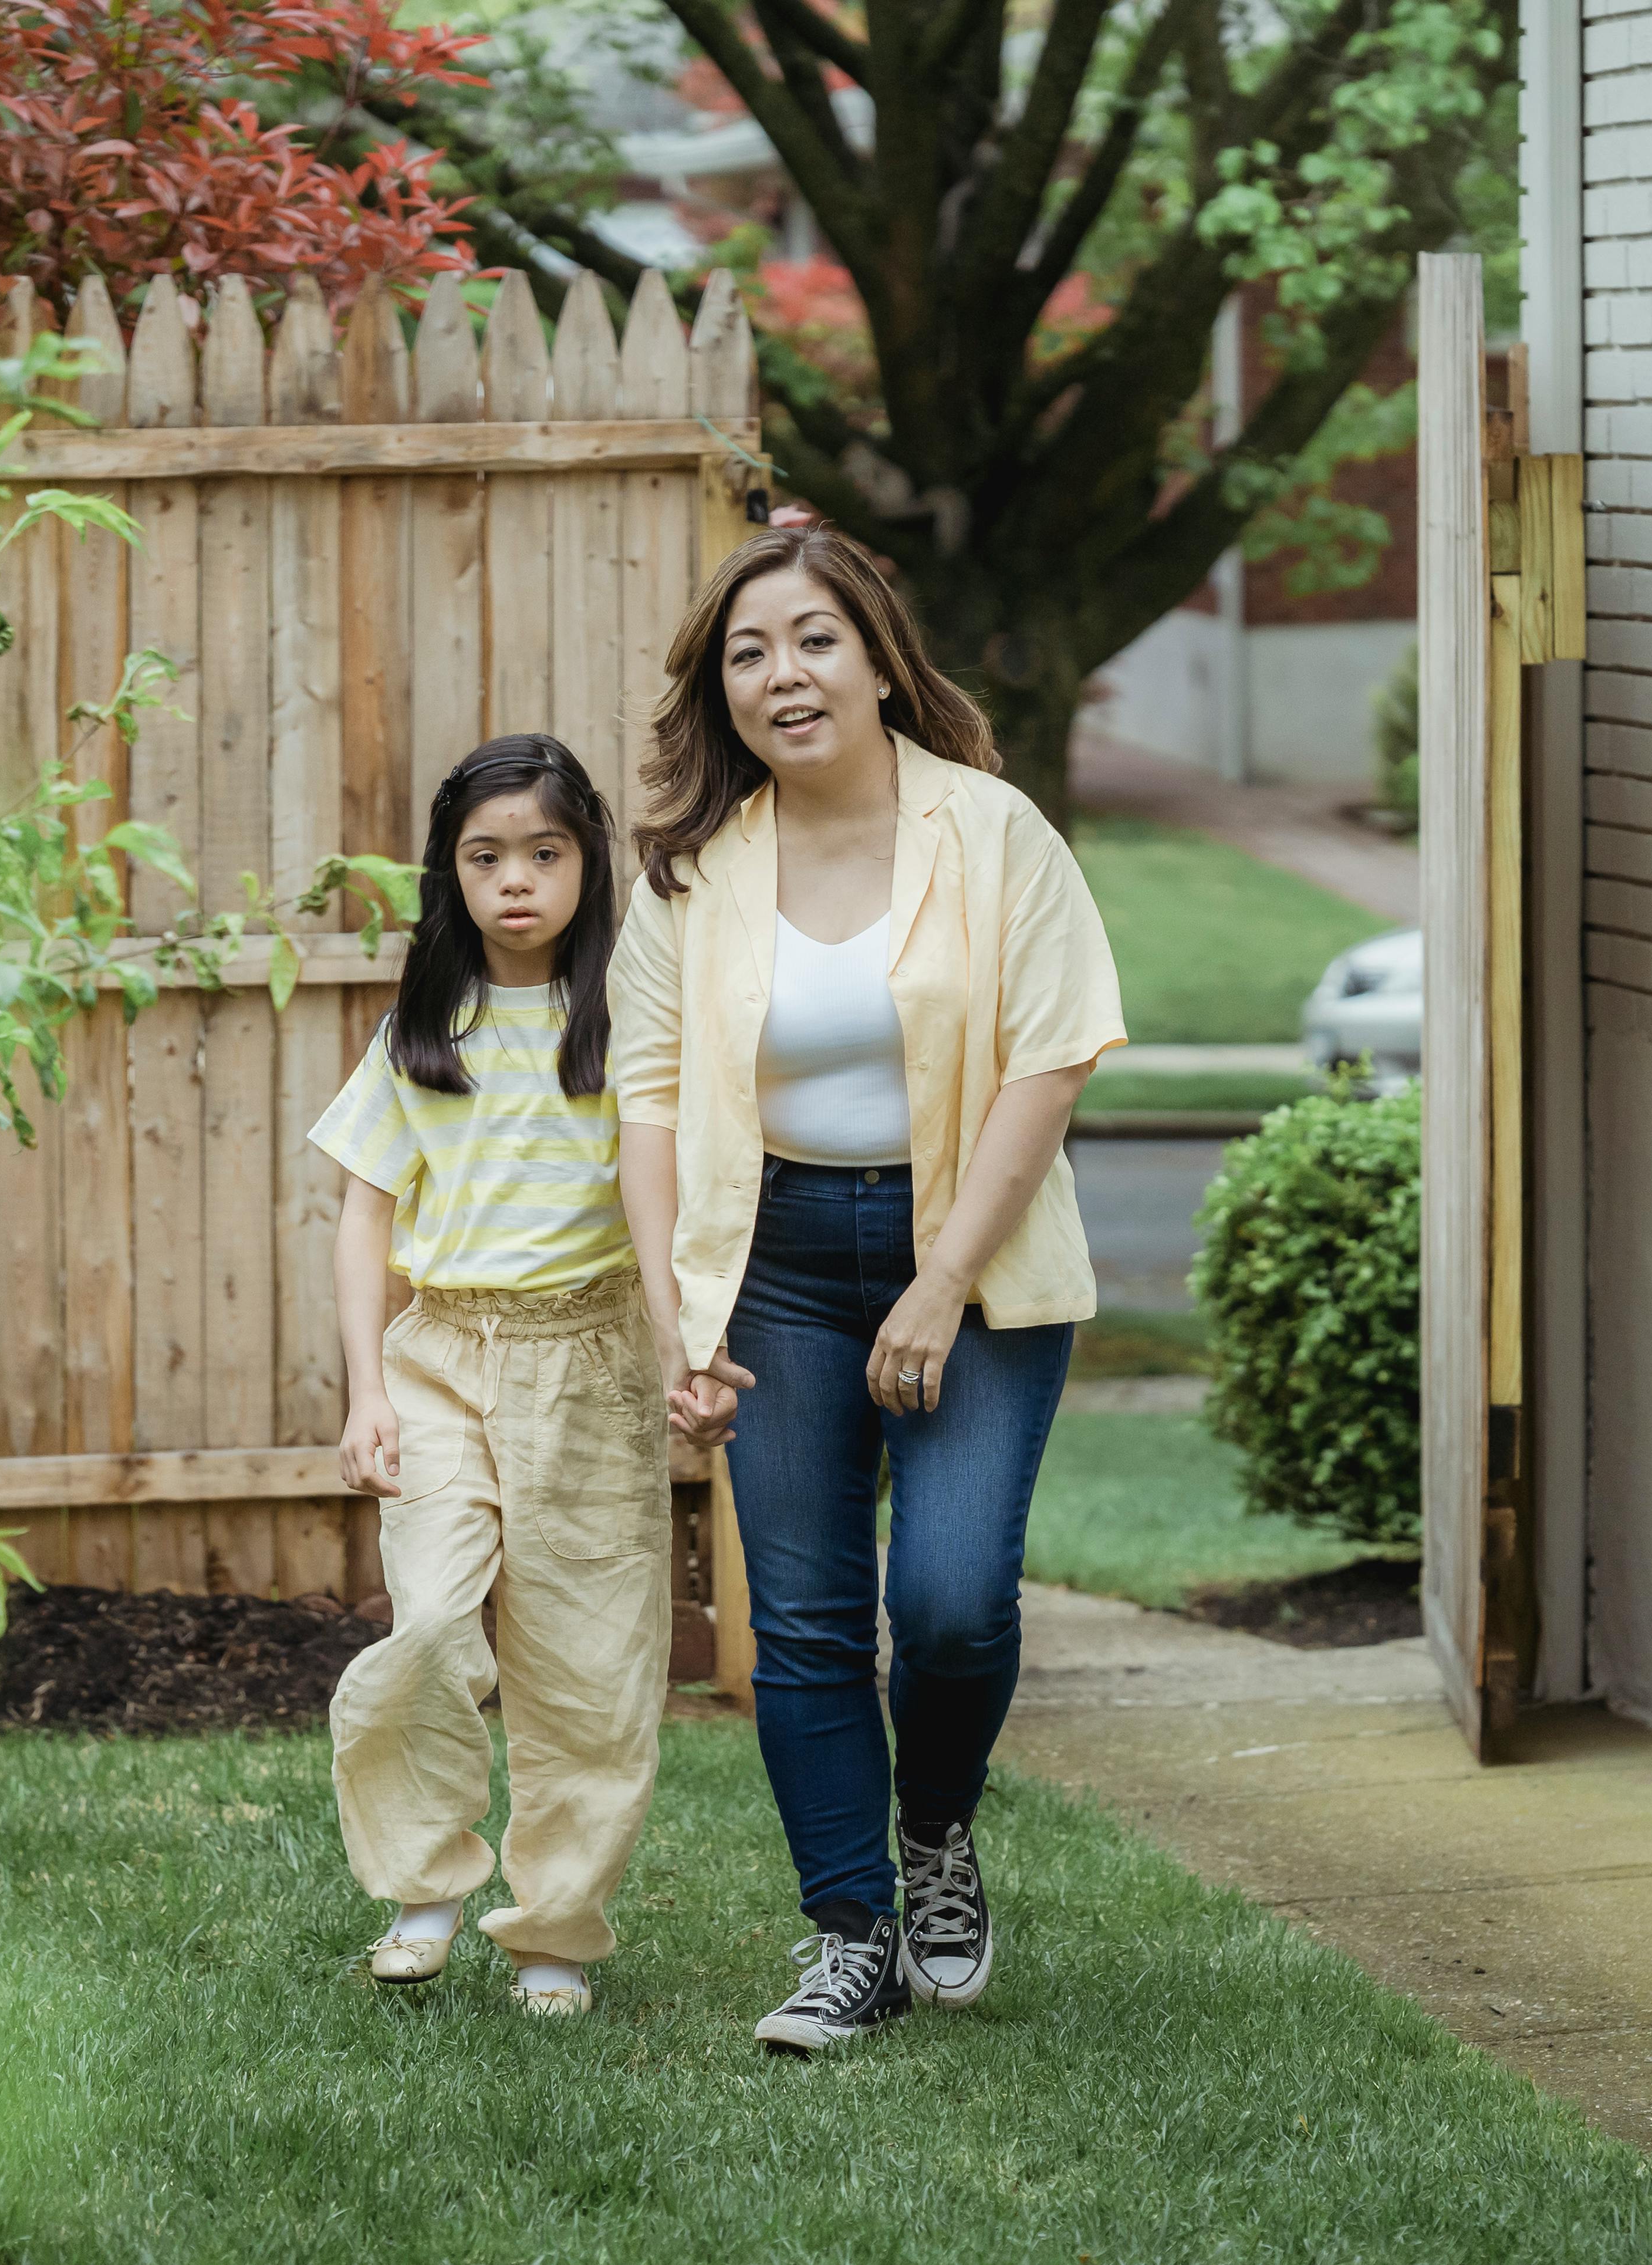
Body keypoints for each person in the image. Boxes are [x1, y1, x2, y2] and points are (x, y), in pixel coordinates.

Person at [610, 527, 1126, 2055]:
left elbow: (1051, 1056)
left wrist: (940, 1276)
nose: (782, 674)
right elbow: (643, 1099)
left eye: (813, 638)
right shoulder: (697, 871)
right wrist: (676, 1319)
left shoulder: (994, 831)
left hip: (970, 1256)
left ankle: (936, 1834)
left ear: (882, 655)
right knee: (809, 1623)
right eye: (748, 652)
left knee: (952, 1603)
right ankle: (849, 1933)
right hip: (770, 1265)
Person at [315, 735, 670, 2018]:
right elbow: (362, 1214)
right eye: (485, 857)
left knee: (587, 1659)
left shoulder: (631, 1018)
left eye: (543, 853)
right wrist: (365, 1391)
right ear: (447, 873)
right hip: (442, 1362)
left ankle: (555, 1933)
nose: (514, 879)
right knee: (424, 1623)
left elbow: (670, 1193)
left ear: (586, 863)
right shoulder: (422, 1027)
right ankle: (423, 1880)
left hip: (593, 1361)